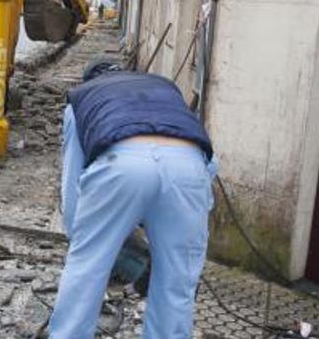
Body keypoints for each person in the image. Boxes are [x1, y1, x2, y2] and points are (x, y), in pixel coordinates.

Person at [48, 61, 217, 338]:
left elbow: (73, 183)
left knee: (87, 270)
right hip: (189, 168)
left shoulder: (80, 99)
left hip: (121, 163)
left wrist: (80, 237)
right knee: (177, 281)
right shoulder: (163, 88)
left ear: (89, 78)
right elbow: (209, 166)